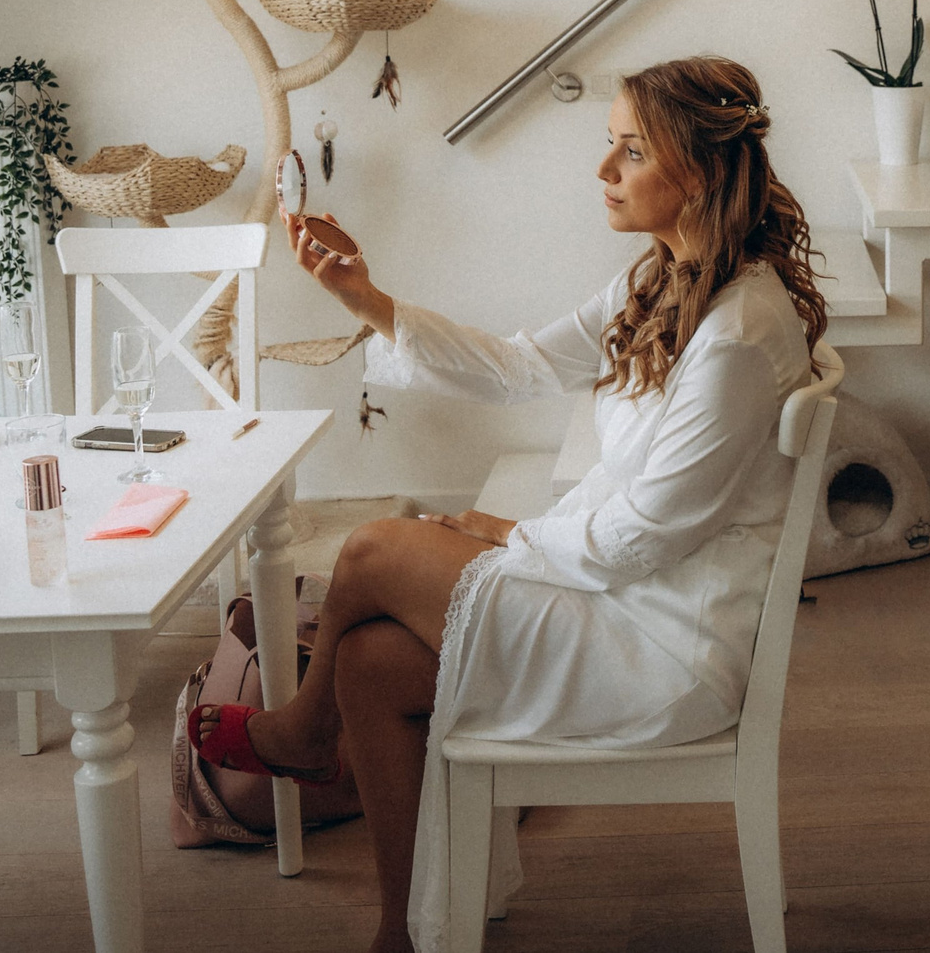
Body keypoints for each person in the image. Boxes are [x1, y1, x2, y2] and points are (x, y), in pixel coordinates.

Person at [192, 55, 827, 953]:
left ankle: (299, 732)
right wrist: (362, 298)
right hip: (622, 599)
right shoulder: (662, 280)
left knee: (373, 551)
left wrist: (509, 534)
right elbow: (520, 364)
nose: (603, 171)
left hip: (664, 644)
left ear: (702, 172)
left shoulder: (736, 336)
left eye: (632, 152)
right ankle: (401, 932)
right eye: (608, 145)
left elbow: (638, 542)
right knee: (370, 664)